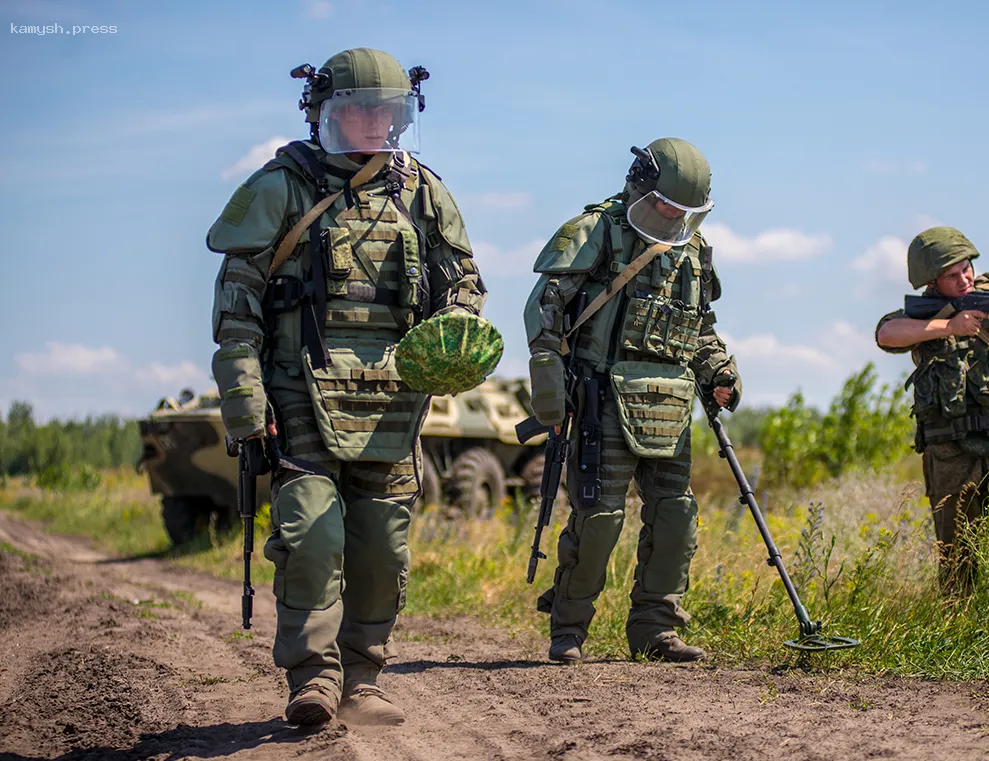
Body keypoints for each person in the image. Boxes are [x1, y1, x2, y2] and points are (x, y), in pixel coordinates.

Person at [207, 48, 486, 726]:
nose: (371, 123)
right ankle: (314, 677)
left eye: (386, 112)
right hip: (298, 390)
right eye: (356, 109)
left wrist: (452, 334)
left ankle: (363, 677)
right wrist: (246, 400)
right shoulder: (282, 187)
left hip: (393, 396)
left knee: (382, 546)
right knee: (310, 534)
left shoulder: (422, 191)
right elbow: (237, 305)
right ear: (323, 112)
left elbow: (465, 287)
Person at [523, 137, 740, 664]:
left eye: (686, 211)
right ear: (640, 185)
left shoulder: (693, 249)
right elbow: (546, 306)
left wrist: (719, 369)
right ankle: (569, 629)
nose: (673, 217)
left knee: (675, 516)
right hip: (602, 395)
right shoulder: (596, 230)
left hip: (670, 402)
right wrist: (549, 373)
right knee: (599, 517)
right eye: (666, 204)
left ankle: (656, 628)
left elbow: (700, 326)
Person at [875, 226, 989, 593]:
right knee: (958, 565)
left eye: (967, 270)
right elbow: (886, 334)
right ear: (931, 280)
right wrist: (949, 325)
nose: (964, 279)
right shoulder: (927, 315)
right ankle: (959, 639)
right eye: (952, 275)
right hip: (949, 453)